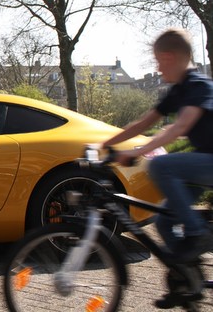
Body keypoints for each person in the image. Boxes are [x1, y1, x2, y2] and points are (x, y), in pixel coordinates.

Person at [102, 28, 213, 307]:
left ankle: (197, 234)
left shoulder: (199, 86)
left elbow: (180, 126)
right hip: (203, 164)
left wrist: (139, 152)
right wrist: (105, 145)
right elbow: (143, 123)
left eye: (158, 61)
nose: (157, 68)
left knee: (162, 166)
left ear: (169, 56)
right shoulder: (179, 90)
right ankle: (186, 279)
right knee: (163, 221)